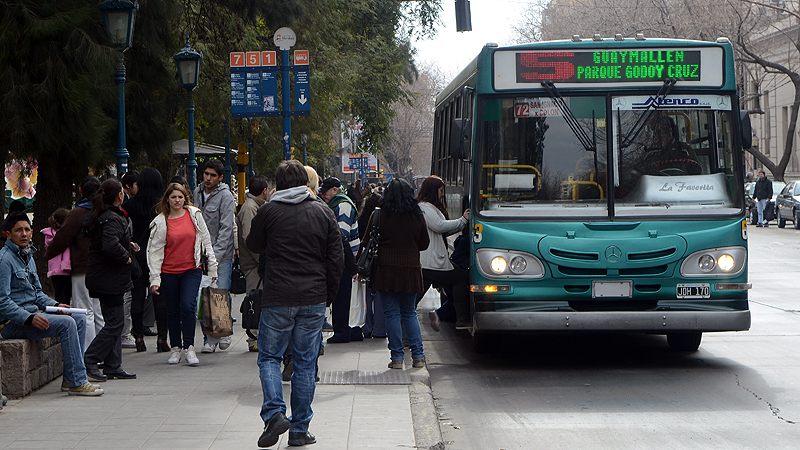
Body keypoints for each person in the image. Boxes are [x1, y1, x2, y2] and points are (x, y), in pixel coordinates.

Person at [246, 160, 344, 448]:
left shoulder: (268, 211)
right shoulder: (323, 212)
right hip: (313, 299)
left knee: (269, 357)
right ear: (305, 183)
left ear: (278, 184)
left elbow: (253, 244)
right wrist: (329, 295)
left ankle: (275, 413)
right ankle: (300, 430)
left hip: (277, 297)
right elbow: (335, 258)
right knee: (304, 363)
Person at [0, 213, 104, 396]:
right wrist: (29, 318)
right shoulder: (4, 260)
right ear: (8, 234)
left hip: (33, 314)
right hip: (12, 324)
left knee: (76, 316)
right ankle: (78, 381)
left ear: (32, 232)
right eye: (18, 230)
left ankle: (70, 378)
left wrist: (57, 305)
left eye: (26, 229)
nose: (24, 234)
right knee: (67, 324)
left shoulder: (28, 257)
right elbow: (2, 302)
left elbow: (37, 293)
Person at [360, 179, 430, 368]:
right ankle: (418, 357)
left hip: (386, 271)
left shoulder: (380, 215)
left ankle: (397, 358)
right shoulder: (417, 215)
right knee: (409, 313)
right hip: (410, 270)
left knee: (391, 313)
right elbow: (424, 243)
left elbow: (366, 241)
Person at [148, 183, 217, 366]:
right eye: (173, 197)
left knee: (188, 306)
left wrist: (213, 268)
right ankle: (176, 348)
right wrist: (155, 279)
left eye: (180, 197)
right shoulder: (161, 221)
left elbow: (206, 241)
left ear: (185, 198)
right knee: (172, 310)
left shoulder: (194, 215)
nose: (177, 200)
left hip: (191, 269)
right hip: (168, 271)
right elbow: (154, 252)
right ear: (167, 200)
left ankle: (190, 347)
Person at [81, 178, 137, 381]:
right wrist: (127, 256)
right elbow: (110, 244)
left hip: (104, 277)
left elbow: (107, 240)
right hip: (109, 279)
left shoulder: (102, 215)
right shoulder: (113, 217)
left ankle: (113, 365)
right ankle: (91, 358)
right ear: (120, 195)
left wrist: (127, 244)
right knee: (115, 323)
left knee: (112, 321)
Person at [45, 176, 104, 347]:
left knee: (84, 311)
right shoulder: (104, 210)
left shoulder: (77, 213)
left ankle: (87, 354)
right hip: (103, 268)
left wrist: (48, 253)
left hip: (82, 266)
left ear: (80, 191)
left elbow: (62, 238)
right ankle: (103, 353)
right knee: (99, 311)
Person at [415, 176, 471, 328]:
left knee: (414, 299)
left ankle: (405, 331)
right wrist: (463, 220)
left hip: (427, 262)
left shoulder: (425, 207)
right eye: (440, 191)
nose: (442, 194)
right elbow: (440, 226)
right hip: (433, 261)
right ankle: (462, 319)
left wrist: (460, 223)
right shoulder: (426, 208)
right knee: (460, 278)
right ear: (433, 191)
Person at [193, 160, 237, 353]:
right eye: (206, 174)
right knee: (204, 296)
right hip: (199, 254)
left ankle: (223, 332)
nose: (208, 178)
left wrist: (216, 256)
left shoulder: (225, 196)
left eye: (212, 175)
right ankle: (209, 338)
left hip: (221, 255)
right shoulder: (197, 192)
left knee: (220, 292)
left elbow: (226, 228)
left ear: (220, 177)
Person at [122, 167, 167, 352]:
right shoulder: (163, 206)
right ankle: (162, 339)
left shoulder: (131, 204)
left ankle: (138, 337)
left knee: (138, 296)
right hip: (159, 255)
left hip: (138, 254)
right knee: (159, 297)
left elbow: (122, 224)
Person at [319, 177, 362, 343]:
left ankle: (342, 332)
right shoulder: (338, 204)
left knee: (341, 297)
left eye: (326, 192)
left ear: (335, 190)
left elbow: (341, 236)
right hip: (344, 257)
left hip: (343, 258)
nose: (324, 196)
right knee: (343, 296)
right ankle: (349, 331)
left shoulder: (342, 206)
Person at [237, 175, 269, 352]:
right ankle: (253, 338)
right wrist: (261, 261)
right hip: (253, 264)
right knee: (254, 300)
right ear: (264, 191)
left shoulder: (253, 206)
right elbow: (250, 239)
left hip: (254, 263)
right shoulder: (250, 208)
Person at [358, 189, 386, 339]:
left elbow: (363, 241)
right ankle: (380, 329)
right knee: (380, 295)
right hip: (380, 261)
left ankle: (367, 326)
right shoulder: (380, 217)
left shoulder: (362, 219)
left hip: (367, 260)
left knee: (368, 295)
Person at [41, 208, 72, 305]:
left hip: (55, 268)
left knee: (62, 292)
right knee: (63, 294)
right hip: (62, 269)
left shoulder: (49, 235)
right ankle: (62, 311)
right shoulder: (61, 235)